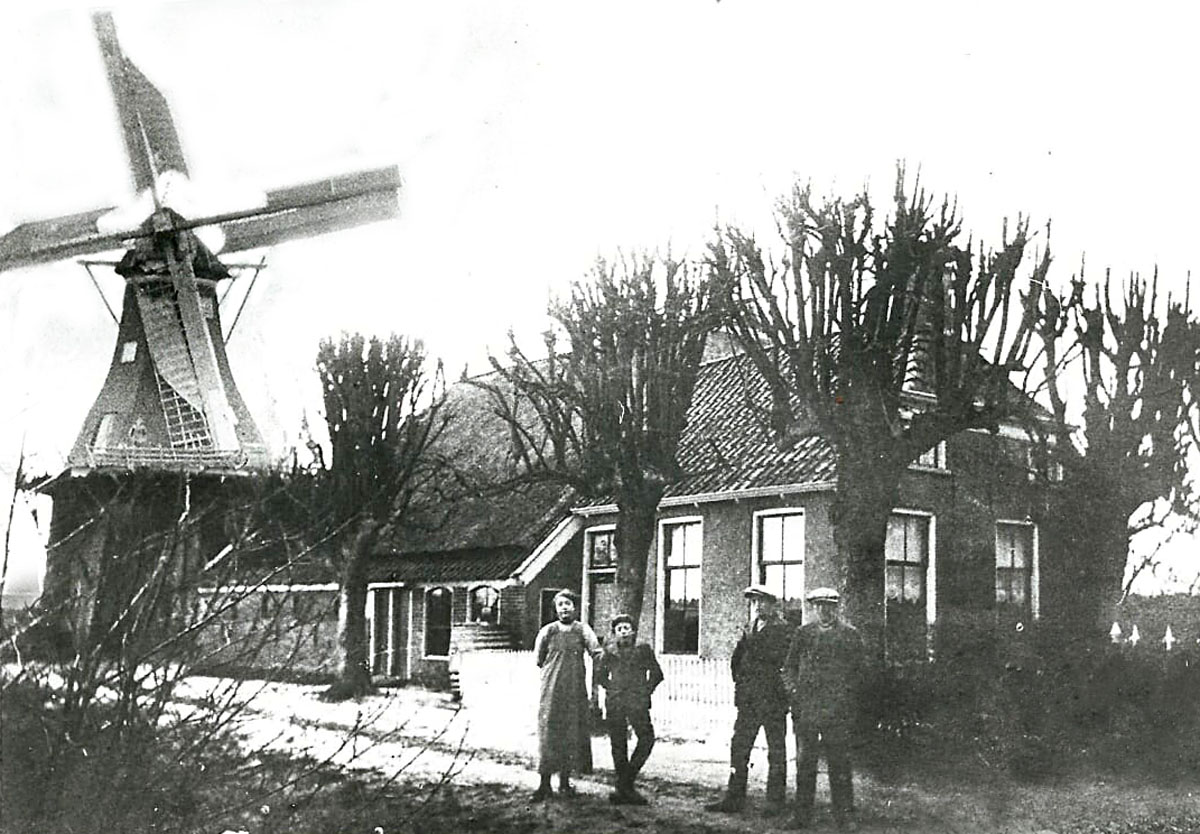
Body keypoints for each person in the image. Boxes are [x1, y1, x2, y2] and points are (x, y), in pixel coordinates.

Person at [783, 587, 866, 831]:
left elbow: (860, 672)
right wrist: (795, 694)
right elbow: (788, 668)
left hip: (837, 712)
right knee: (805, 764)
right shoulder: (803, 633)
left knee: (840, 765)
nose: (824, 611)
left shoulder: (850, 635)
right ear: (813, 608)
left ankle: (845, 817)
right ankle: (802, 816)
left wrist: (847, 700)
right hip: (807, 710)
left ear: (836, 608)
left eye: (829, 606)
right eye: (819, 606)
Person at [705, 584, 790, 814]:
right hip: (748, 700)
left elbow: (785, 664)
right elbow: (737, 658)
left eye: (762, 601)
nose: (757, 606)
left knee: (776, 751)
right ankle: (734, 797)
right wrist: (741, 682)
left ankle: (775, 802)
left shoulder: (783, 630)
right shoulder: (750, 627)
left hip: (772, 700)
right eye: (753, 602)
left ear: (773, 605)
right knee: (739, 748)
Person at [532, 588, 602, 801]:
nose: (564, 608)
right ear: (555, 608)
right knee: (549, 732)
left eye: (568, 604)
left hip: (574, 691)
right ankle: (544, 785)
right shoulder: (548, 631)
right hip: (551, 690)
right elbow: (538, 658)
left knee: (571, 733)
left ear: (575, 607)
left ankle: (564, 783)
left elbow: (596, 653)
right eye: (560, 604)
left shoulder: (583, 630)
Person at [595, 613, 664, 805]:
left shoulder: (643, 651)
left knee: (647, 738)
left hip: (637, 703)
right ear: (615, 634)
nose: (624, 632)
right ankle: (625, 790)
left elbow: (657, 674)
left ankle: (625, 782)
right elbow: (600, 676)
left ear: (633, 632)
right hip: (615, 703)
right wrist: (612, 689)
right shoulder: (609, 652)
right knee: (618, 744)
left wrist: (645, 692)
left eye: (627, 628)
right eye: (619, 629)